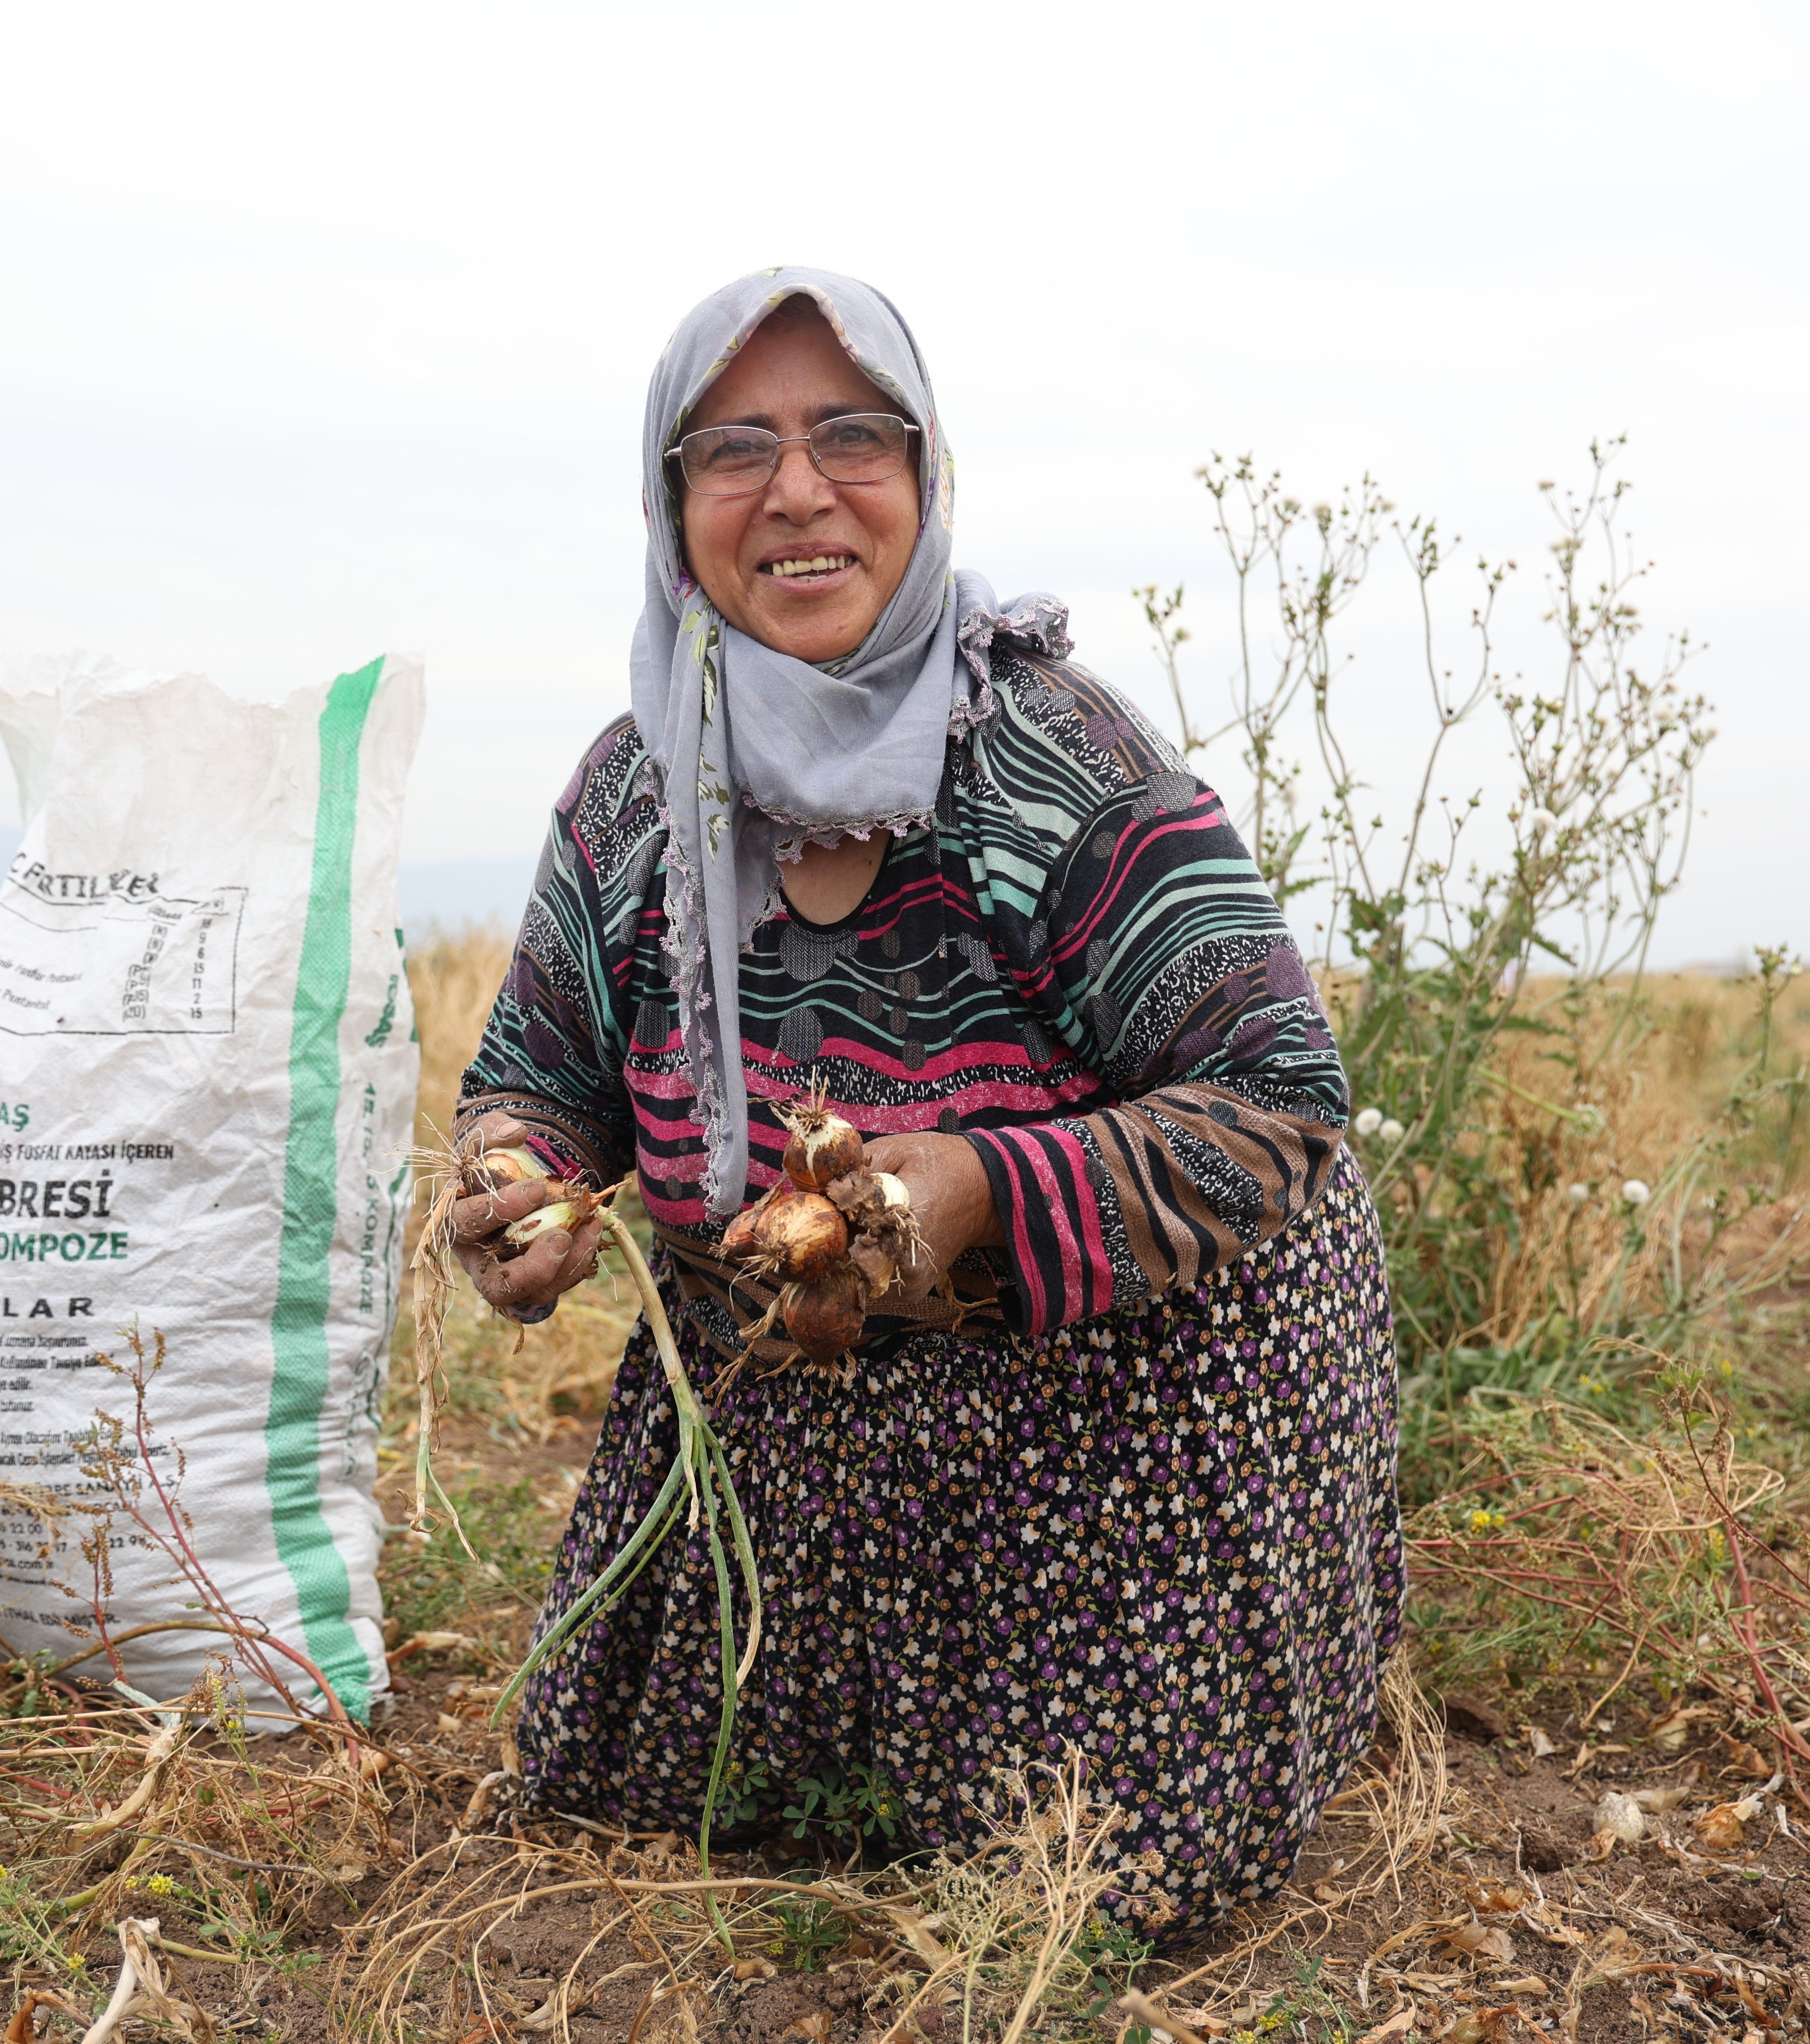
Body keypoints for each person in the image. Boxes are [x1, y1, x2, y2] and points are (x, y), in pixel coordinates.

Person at [445, 267, 1400, 1936]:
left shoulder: (1048, 759)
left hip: (1112, 1412)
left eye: (851, 437)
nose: (797, 492)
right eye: (733, 448)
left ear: (927, 472)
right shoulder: (632, 789)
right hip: (778, 1414)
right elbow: (543, 1072)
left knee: (1099, 1883)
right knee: (645, 1795)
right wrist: (519, 1176)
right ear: (674, 511)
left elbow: (1279, 1096)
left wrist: (963, 1190)